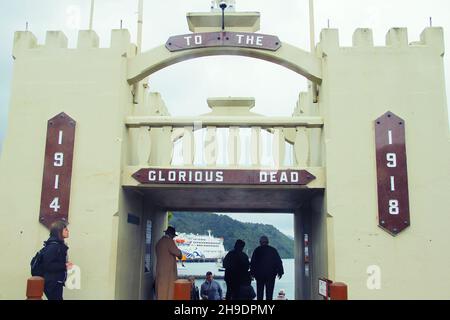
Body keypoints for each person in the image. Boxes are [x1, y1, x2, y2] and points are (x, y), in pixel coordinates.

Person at [42, 220, 72, 300]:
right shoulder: (53, 246)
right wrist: (64, 265)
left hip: (56, 281)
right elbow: (48, 265)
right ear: (59, 231)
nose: (68, 231)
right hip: (52, 283)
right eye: (65, 229)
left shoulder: (59, 245)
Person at [250, 235, 284, 300]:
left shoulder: (257, 250)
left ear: (260, 242)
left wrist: (252, 273)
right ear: (268, 242)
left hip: (259, 275)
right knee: (269, 294)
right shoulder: (273, 250)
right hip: (270, 275)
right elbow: (278, 262)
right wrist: (280, 272)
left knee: (260, 294)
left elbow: (253, 263)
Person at [155, 226, 182, 300]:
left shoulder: (159, 242)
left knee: (160, 290)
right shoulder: (169, 241)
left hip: (159, 271)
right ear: (171, 234)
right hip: (168, 273)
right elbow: (178, 253)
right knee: (168, 291)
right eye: (173, 235)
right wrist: (180, 253)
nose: (173, 237)